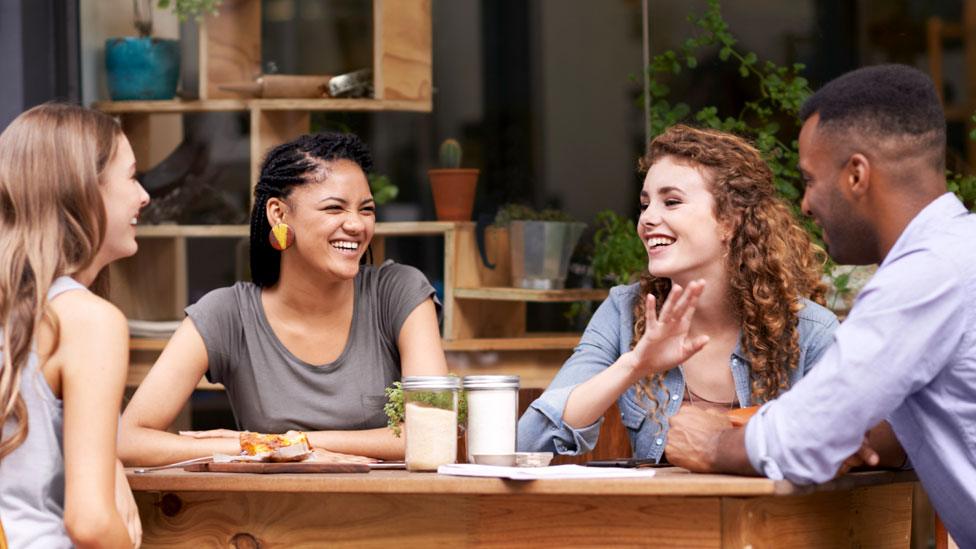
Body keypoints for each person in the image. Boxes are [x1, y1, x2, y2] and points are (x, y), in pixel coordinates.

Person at [663, 64, 976, 546]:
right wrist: (867, 435)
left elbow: (804, 436)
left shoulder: (925, 275)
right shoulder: (960, 251)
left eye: (810, 180)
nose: (805, 205)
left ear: (856, 174)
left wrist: (711, 444)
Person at [119, 132, 448, 466]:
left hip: (392, 515)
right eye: (334, 208)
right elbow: (130, 440)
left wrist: (292, 444)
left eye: (366, 210)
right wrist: (256, 446)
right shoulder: (227, 314)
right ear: (278, 213)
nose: (356, 224)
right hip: (267, 517)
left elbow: (434, 432)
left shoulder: (399, 293)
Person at [517, 125, 840, 461]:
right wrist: (635, 365)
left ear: (729, 221)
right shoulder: (625, 311)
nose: (647, 219)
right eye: (645, 205)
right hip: (660, 514)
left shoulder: (809, 330)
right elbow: (528, 443)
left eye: (671, 202)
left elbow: (857, 447)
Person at [0, 103, 149, 548]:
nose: (144, 195)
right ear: (85, 190)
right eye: (131, 176)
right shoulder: (87, 320)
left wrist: (110, 464)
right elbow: (90, 522)